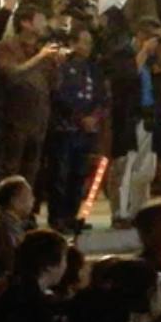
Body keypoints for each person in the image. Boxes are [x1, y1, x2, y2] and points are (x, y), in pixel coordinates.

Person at [0, 4, 66, 186]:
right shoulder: (7, 46)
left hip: (38, 120)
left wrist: (57, 65)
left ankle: (25, 202)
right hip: (14, 119)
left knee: (31, 171)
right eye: (40, 19)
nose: (44, 24)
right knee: (9, 170)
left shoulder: (40, 49)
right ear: (25, 23)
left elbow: (54, 85)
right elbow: (13, 75)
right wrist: (40, 57)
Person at [106, 19, 161, 226]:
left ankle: (138, 211)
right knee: (125, 167)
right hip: (129, 116)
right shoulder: (122, 53)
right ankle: (120, 213)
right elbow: (125, 77)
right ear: (141, 35)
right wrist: (143, 52)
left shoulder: (153, 59)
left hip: (150, 115)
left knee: (145, 169)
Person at [44, 25, 104, 230]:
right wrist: (79, 118)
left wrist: (94, 117)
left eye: (90, 43)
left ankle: (73, 215)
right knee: (60, 173)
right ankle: (57, 216)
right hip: (65, 127)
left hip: (86, 129)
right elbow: (58, 95)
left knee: (79, 174)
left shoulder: (93, 69)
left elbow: (101, 96)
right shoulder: (61, 67)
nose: (88, 46)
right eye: (84, 42)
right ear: (72, 43)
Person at [0, 174, 37, 282]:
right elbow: (12, 264)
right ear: (14, 201)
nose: (33, 200)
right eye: (29, 196)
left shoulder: (6, 219)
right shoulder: (2, 227)